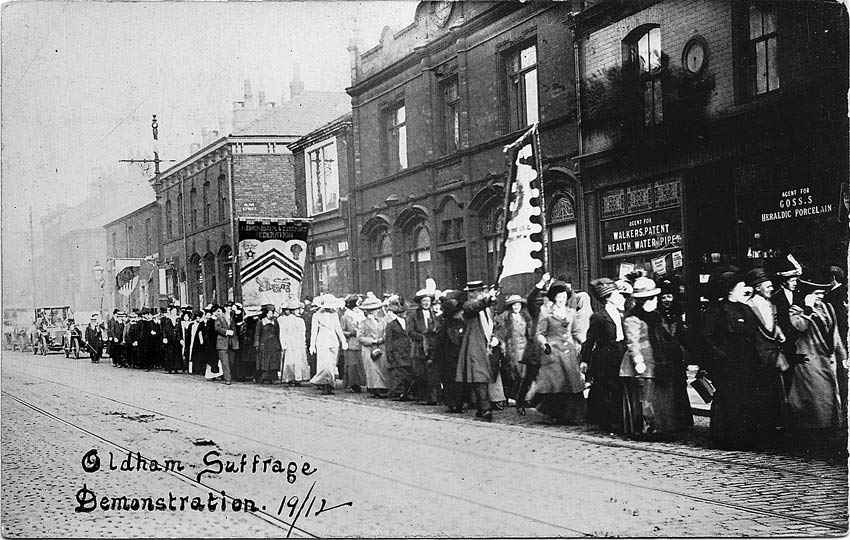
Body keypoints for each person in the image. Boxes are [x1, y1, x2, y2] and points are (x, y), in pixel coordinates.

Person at [701, 270, 776, 449]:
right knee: (730, 400)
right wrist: (720, 357)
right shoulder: (716, 310)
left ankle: (746, 436)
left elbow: (754, 331)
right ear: (731, 289)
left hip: (747, 361)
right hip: (728, 363)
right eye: (741, 285)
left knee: (747, 399)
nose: (745, 288)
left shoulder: (744, 308)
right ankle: (727, 438)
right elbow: (705, 337)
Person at [619, 276, 693, 437]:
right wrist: (638, 361)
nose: (655, 301)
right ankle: (646, 428)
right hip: (641, 363)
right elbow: (633, 342)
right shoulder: (633, 319)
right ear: (644, 300)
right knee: (645, 397)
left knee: (658, 397)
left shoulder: (655, 316)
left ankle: (660, 426)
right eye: (652, 298)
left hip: (657, 362)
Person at [787, 269, 846, 436]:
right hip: (809, 361)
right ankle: (813, 433)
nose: (821, 296)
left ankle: (828, 429)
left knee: (828, 398)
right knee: (815, 399)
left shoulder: (828, 308)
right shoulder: (796, 309)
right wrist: (808, 308)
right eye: (817, 293)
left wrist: (843, 356)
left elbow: (835, 335)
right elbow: (800, 326)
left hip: (827, 359)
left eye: (822, 292)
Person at [531, 280, 586, 424]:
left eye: (564, 297)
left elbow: (576, 332)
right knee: (556, 383)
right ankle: (556, 413)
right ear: (554, 298)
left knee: (572, 382)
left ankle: (571, 414)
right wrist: (544, 344)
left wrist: (584, 343)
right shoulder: (546, 312)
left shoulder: (571, 312)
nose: (561, 300)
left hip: (569, 353)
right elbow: (540, 333)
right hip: (553, 353)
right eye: (558, 297)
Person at [745, 268, 790, 432]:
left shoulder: (772, 305)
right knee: (760, 392)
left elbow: (773, 324)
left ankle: (772, 424)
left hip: (772, 354)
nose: (771, 288)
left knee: (774, 390)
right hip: (758, 356)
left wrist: (779, 331)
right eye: (768, 286)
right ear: (757, 287)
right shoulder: (748, 306)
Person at [582, 278, 627, 432]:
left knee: (618, 389)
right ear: (608, 297)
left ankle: (618, 421)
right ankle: (612, 424)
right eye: (617, 294)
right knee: (610, 390)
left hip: (621, 354)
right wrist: (585, 360)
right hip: (606, 357)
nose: (620, 297)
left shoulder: (622, 313)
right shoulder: (599, 316)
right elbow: (590, 339)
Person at [455, 281, 500, 421]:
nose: (480, 293)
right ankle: (485, 409)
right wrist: (488, 299)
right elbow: (475, 307)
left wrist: (496, 337)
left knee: (483, 377)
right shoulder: (469, 305)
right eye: (477, 291)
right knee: (479, 376)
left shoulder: (489, 309)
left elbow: (496, 324)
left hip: (488, 346)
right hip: (475, 345)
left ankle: (479, 406)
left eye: (482, 290)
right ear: (471, 293)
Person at [772, 254, 805, 393]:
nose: (795, 283)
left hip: (799, 343)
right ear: (784, 281)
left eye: (796, 280)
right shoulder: (776, 297)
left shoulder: (799, 297)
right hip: (784, 344)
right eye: (792, 280)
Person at [496, 295, 532, 404]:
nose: (516, 307)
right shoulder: (506, 317)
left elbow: (529, 332)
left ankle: (525, 397)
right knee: (515, 373)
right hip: (512, 347)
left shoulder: (525, 316)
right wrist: (503, 346)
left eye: (518, 304)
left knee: (525, 372)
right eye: (514, 305)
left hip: (524, 347)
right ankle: (514, 396)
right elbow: (501, 333)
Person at [309, 295, 347, 395]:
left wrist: (343, 341)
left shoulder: (334, 314)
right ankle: (323, 385)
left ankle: (330, 385)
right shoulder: (316, 315)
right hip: (322, 340)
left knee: (332, 365)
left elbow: (338, 328)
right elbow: (314, 331)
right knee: (324, 365)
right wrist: (312, 345)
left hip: (333, 341)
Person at [408, 289, 440, 404]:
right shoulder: (413, 315)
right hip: (419, 347)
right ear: (420, 302)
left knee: (432, 372)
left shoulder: (434, 314)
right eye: (424, 301)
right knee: (421, 373)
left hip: (433, 347)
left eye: (428, 301)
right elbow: (410, 331)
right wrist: (422, 337)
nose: (426, 303)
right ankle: (422, 397)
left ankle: (433, 397)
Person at [358, 294, 389, 398]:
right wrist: (372, 341)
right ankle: (374, 389)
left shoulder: (382, 321)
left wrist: (382, 339)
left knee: (381, 367)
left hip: (380, 347)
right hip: (368, 348)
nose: (375, 311)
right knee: (372, 369)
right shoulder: (363, 323)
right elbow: (360, 337)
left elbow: (386, 333)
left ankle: (382, 387)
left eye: (376, 309)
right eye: (372, 309)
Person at [384, 298, 414, 400]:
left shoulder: (409, 322)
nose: (404, 314)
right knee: (399, 372)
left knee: (408, 371)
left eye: (405, 312)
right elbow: (388, 340)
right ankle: (399, 392)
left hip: (408, 349)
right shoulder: (391, 325)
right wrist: (389, 354)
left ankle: (407, 391)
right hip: (397, 351)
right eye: (401, 312)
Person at [280, 300, 311, 386]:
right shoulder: (285, 321)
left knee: (298, 361)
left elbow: (302, 333)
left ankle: (297, 378)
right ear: (292, 310)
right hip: (290, 343)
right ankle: (290, 378)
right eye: (297, 309)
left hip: (298, 343)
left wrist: (303, 343)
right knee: (290, 361)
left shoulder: (301, 320)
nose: (298, 311)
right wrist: (283, 344)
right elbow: (283, 333)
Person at [340, 294, 367, 393]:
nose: (357, 308)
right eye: (355, 306)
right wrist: (351, 333)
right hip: (351, 343)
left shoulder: (361, 314)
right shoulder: (345, 316)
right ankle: (352, 384)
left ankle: (361, 383)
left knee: (361, 364)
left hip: (361, 342)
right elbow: (341, 330)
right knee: (352, 365)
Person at [253, 304, 281, 384]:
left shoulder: (275, 322)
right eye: (269, 313)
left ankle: (272, 377)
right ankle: (263, 377)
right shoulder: (261, 322)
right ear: (265, 314)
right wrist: (257, 343)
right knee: (264, 361)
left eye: (272, 313)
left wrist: (278, 343)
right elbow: (257, 334)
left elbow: (278, 333)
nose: (271, 315)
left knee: (273, 361)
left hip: (273, 344)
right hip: (264, 344)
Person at [214, 304, 237, 385]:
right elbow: (217, 328)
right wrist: (226, 332)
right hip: (222, 342)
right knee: (225, 362)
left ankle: (228, 376)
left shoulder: (232, 318)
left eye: (231, 308)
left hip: (231, 343)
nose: (230, 310)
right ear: (225, 308)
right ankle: (228, 379)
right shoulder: (220, 317)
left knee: (231, 361)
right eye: (229, 308)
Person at [160, 305, 183, 374]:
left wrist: (181, 338)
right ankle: (169, 368)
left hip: (176, 339)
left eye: (175, 311)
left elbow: (180, 329)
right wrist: (164, 337)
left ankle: (176, 368)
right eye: (173, 311)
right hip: (169, 338)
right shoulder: (167, 319)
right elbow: (164, 329)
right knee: (169, 353)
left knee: (176, 353)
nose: (174, 312)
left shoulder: (178, 319)